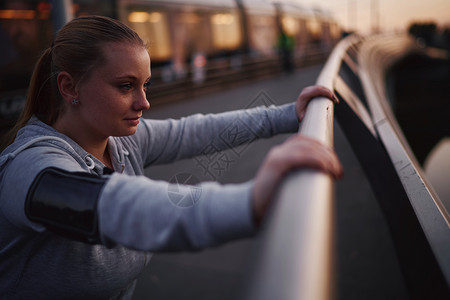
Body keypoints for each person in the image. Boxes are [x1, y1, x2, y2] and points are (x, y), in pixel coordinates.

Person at [0, 16, 342, 299]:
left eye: (145, 85)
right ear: (69, 87)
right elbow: (120, 206)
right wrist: (250, 201)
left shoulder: (119, 141)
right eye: (125, 86)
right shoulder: (31, 170)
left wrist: (287, 114)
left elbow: (194, 131)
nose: (143, 103)